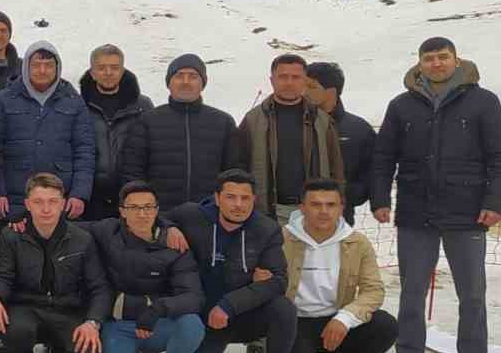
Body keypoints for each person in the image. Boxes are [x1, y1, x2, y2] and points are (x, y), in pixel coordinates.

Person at [372, 36, 501, 353]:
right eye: (429, 58)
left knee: (472, 292)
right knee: (412, 288)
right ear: (419, 63)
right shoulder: (402, 106)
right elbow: (384, 157)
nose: (436, 64)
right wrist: (379, 199)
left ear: (455, 60)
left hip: (467, 213)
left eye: (443, 57)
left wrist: (496, 203)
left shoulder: (483, 102)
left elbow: (500, 157)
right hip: (416, 210)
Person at [164, 169, 295, 353]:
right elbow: (158, 218)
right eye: (231, 197)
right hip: (206, 316)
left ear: (254, 200)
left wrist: (229, 304)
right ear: (217, 197)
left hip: (244, 312)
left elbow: (278, 280)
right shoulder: (192, 215)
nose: (238, 205)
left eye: (245, 198)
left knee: (283, 308)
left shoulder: (266, 229)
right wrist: (170, 227)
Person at [0, 173, 111, 353]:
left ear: (63, 204)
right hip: (26, 307)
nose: (46, 209)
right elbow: (3, 276)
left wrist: (92, 322)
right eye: (38, 202)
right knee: (15, 331)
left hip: (66, 309)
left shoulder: (82, 238)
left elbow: (99, 287)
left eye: (53, 202)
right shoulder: (11, 235)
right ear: (27, 204)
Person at [82, 180, 204, 353]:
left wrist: (158, 309)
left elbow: (193, 296)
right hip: (120, 325)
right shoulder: (107, 231)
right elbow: (64, 226)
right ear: (122, 212)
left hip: (157, 322)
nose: (142, 214)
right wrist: (22, 218)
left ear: (157, 210)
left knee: (192, 325)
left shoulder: (175, 244)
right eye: (134, 208)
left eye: (148, 207)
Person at [282, 179, 398, 353]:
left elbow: (373, 290)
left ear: (341, 208)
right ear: (302, 207)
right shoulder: (282, 239)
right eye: (315, 204)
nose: (323, 211)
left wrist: (345, 318)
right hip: (294, 321)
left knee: (386, 326)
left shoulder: (357, 243)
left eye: (331, 205)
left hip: (335, 320)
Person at [0, 41, 96, 224]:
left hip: (60, 201)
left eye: (48, 65)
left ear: (57, 68)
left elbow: (84, 151)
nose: (42, 70)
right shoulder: (3, 100)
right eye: (36, 65)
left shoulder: (73, 102)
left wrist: (79, 193)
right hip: (15, 201)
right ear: (25, 67)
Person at [119, 54, 241, 209]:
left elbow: (234, 173)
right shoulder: (147, 121)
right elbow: (133, 172)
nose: (185, 82)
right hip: (159, 215)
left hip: (209, 216)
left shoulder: (223, 122)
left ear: (203, 83)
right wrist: (146, 208)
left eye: (193, 76)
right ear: (168, 82)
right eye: (179, 76)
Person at [235, 53, 345, 221]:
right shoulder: (253, 120)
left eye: (295, 77)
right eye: (283, 77)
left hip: (314, 212)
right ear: (272, 81)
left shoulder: (321, 120)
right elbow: (238, 168)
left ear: (304, 81)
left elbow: (336, 168)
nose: (289, 82)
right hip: (268, 214)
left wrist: (337, 205)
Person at [79, 44, 155, 220]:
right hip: (90, 196)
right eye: (101, 67)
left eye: (114, 67)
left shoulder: (142, 106)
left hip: (131, 195)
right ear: (92, 72)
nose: (108, 72)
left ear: (122, 70)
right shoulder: (79, 105)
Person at [303, 62, 375, 225]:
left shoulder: (358, 129)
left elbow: (373, 169)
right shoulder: (290, 123)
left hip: (341, 217)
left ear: (331, 91)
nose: (304, 91)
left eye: (311, 86)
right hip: (295, 217)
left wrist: (349, 196)